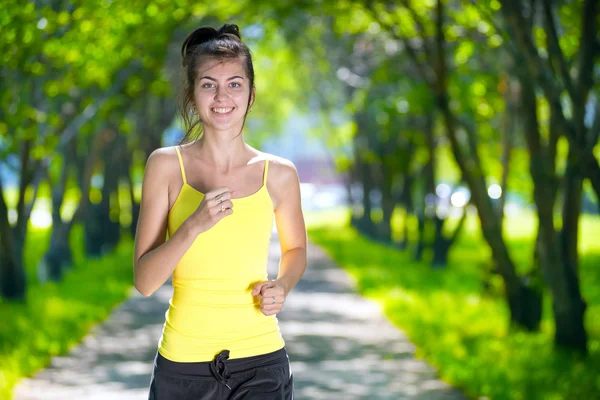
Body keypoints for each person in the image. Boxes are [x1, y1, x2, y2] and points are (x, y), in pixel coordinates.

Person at [133, 23, 307, 400]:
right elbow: (145, 282)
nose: (222, 95)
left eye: (235, 84)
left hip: (261, 360)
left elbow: (295, 251)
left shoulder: (277, 174)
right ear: (192, 95)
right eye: (208, 84)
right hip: (183, 365)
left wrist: (282, 285)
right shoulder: (165, 166)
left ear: (250, 94)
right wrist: (193, 225)